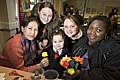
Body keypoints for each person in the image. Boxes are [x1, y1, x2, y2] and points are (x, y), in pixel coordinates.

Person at [79, 15, 120, 80]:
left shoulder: (115, 49)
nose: (92, 32)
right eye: (91, 28)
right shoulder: (81, 42)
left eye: (99, 30)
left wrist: (81, 74)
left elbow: (111, 75)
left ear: (106, 34)